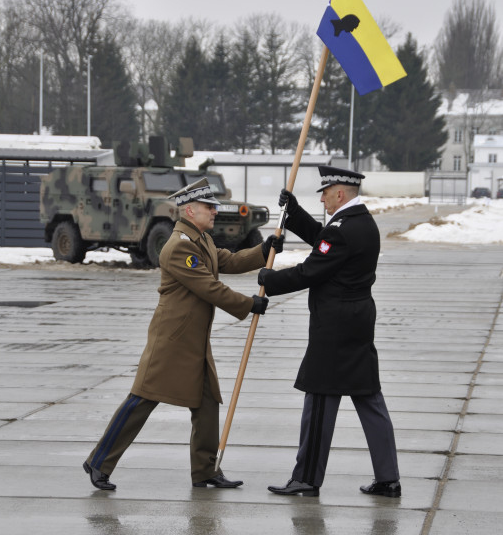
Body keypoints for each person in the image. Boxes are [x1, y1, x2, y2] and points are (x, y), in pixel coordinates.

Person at [84, 177, 283, 491]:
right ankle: (99, 461)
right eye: (209, 207)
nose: (214, 211)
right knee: (141, 402)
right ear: (190, 211)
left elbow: (227, 261)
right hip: (172, 342)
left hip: (194, 342)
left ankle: (205, 471)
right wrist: (249, 304)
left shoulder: (199, 240)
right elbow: (209, 287)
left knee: (207, 403)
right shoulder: (178, 247)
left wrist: (263, 250)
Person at [258, 166, 400, 498]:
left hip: (335, 327)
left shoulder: (343, 229)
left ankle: (306, 478)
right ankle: (388, 477)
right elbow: (326, 243)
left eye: (325, 192)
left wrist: (270, 278)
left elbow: (312, 269)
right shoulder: (360, 222)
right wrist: (294, 214)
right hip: (357, 320)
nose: (322, 197)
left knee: (320, 397)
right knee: (368, 396)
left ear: (340, 192)